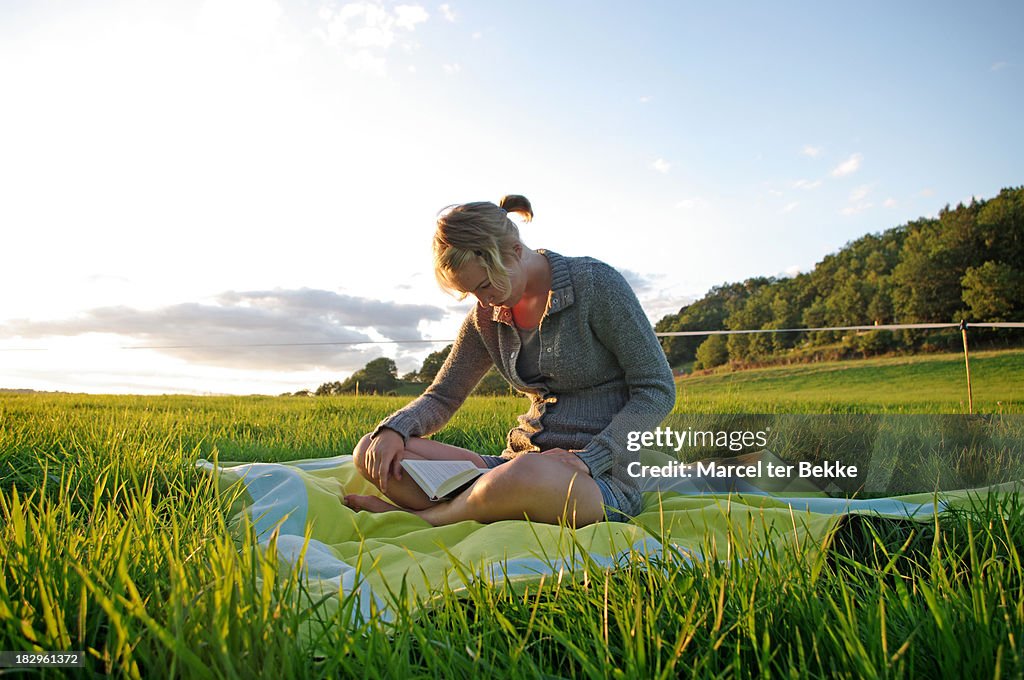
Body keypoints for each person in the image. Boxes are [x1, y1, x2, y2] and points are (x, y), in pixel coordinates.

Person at [344, 195, 675, 527]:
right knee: (373, 452)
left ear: (515, 251)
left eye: (486, 284)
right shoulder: (486, 317)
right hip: (511, 466)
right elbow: (443, 395)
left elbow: (656, 389)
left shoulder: (595, 285)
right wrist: (394, 430)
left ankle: (427, 518)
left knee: (527, 475)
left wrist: (593, 458)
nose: (484, 300)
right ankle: (480, 502)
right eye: (472, 292)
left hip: (597, 479)